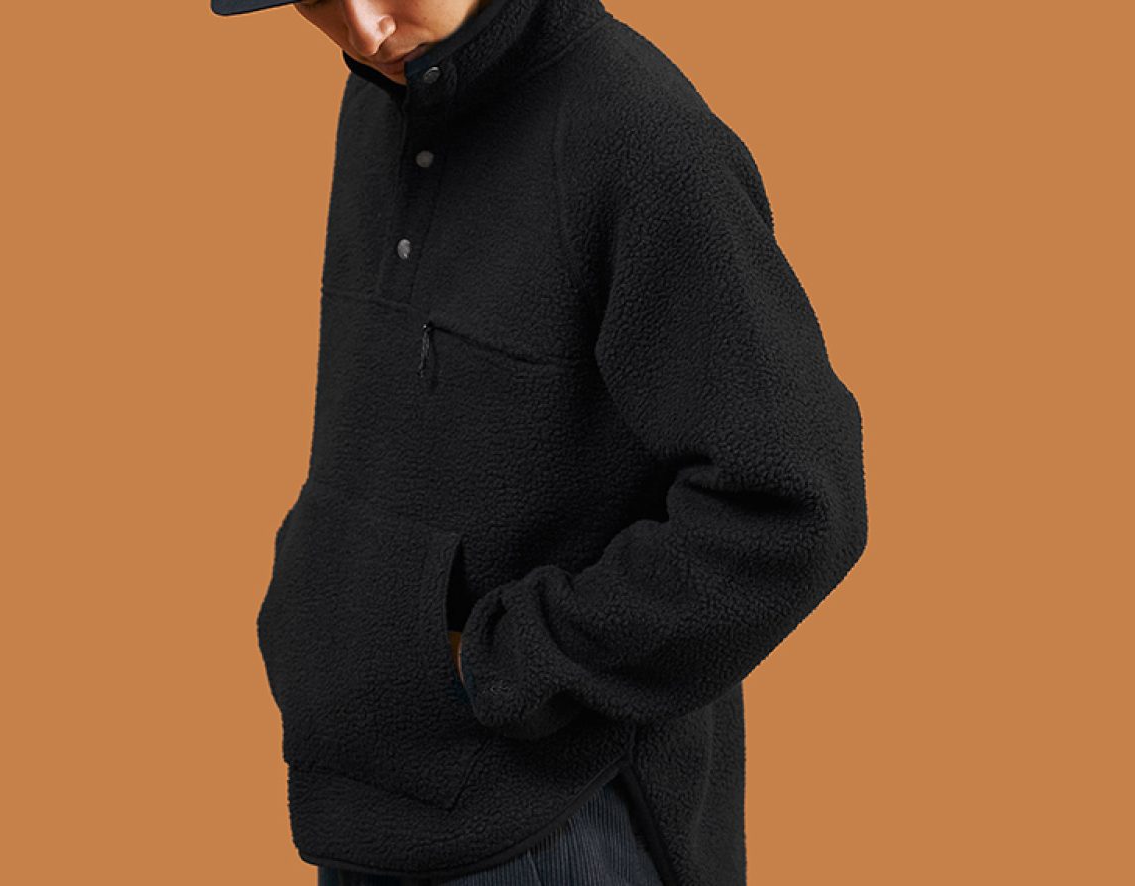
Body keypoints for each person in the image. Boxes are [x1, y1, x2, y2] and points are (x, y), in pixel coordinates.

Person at [213, 1, 870, 884]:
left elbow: (794, 504)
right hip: (371, 795)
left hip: (557, 822)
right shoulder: (387, 92)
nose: (365, 30)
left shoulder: (639, 136)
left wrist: (509, 662)